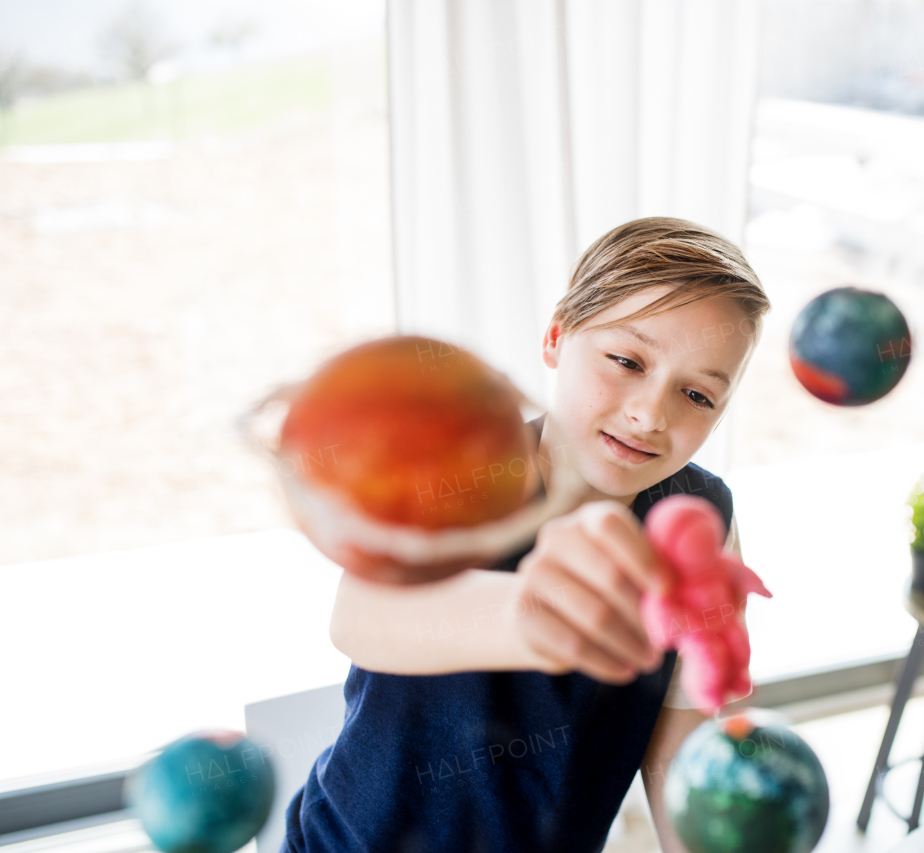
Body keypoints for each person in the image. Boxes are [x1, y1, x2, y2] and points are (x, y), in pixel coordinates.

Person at [282, 216, 772, 852]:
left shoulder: (704, 519)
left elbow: (680, 735)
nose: (650, 413)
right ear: (555, 337)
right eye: (626, 361)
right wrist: (533, 614)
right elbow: (358, 617)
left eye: (698, 397)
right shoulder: (466, 473)